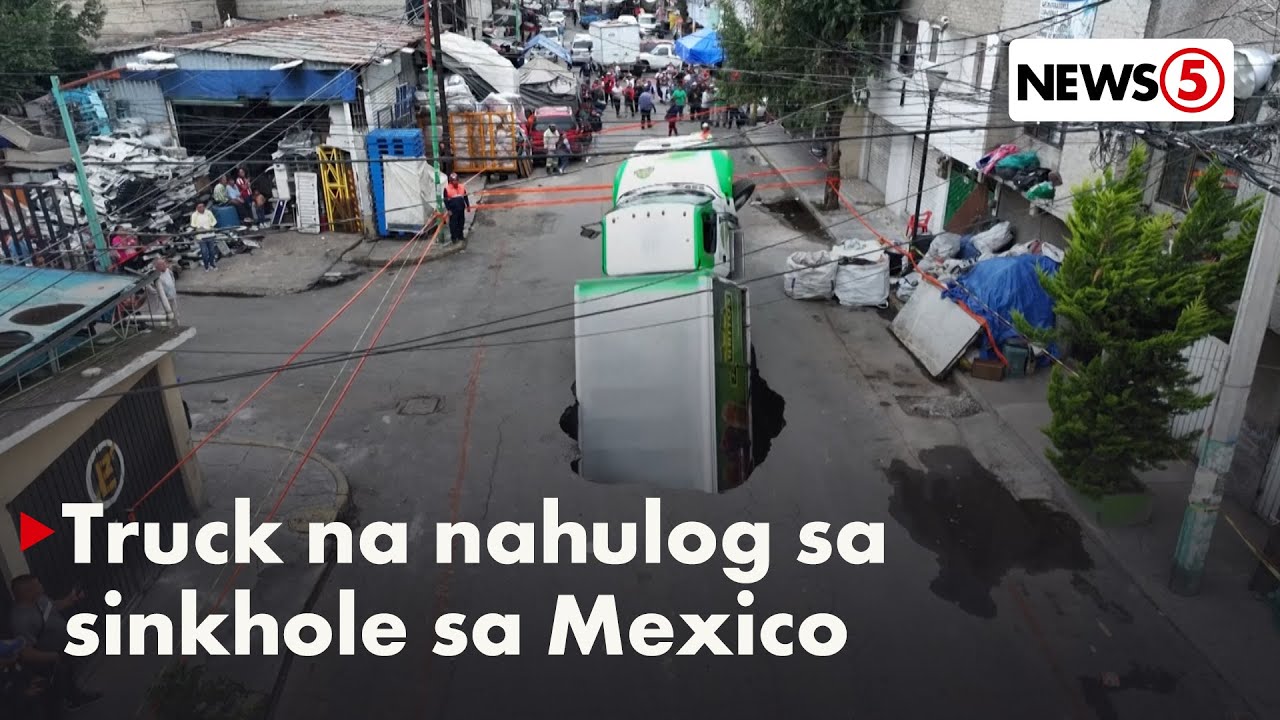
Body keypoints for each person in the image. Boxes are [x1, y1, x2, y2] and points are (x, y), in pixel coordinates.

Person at [9, 575, 102, 711]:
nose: (41, 586)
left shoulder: (40, 599)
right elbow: (26, 653)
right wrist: (55, 656)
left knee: (68, 677)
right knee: (51, 697)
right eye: (37, 585)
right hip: (47, 663)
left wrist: (70, 599)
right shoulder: (20, 619)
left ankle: (75, 698)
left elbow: (53, 607)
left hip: (62, 653)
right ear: (27, 592)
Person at [190, 201, 219, 271]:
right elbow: (193, 224)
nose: (201, 208)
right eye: (199, 207)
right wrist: (199, 227)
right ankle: (206, 265)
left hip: (210, 234)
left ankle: (212, 264)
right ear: (197, 208)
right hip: (201, 236)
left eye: (202, 206)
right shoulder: (194, 215)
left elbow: (214, 221)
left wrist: (212, 225)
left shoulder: (208, 212)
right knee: (204, 252)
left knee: (212, 251)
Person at [443, 172, 469, 243]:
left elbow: (465, 196)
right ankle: (454, 238)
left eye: (456, 180)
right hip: (453, 210)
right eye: (454, 181)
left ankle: (460, 236)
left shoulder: (462, 187)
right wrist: (448, 210)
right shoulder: (447, 189)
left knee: (461, 223)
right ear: (451, 181)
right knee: (453, 225)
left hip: (461, 209)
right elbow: (445, 200)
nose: (455, 182)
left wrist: (468, 206)